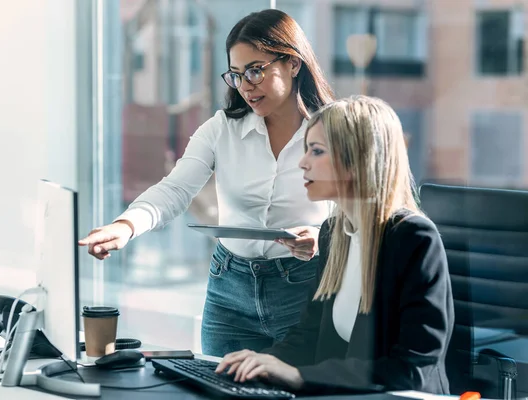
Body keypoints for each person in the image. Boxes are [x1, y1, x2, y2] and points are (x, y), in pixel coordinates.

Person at [78, 9, 336, 356]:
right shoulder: (222, 129)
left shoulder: (333, 129)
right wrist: (126, 226)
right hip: (230, 290)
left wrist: (323, 238)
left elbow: (362, 211)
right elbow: (176, 188)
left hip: (303, 287)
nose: (246, 85)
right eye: (236, 74)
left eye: (256, 70)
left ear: (293, 63)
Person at [215, 96, 454, 394]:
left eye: (316, 151)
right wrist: (263, 361)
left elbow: (411, 368)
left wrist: (300, 376)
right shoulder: (333, 233)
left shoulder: (413, 238)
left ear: (357, 159)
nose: (302, 163)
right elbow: (310, 334)